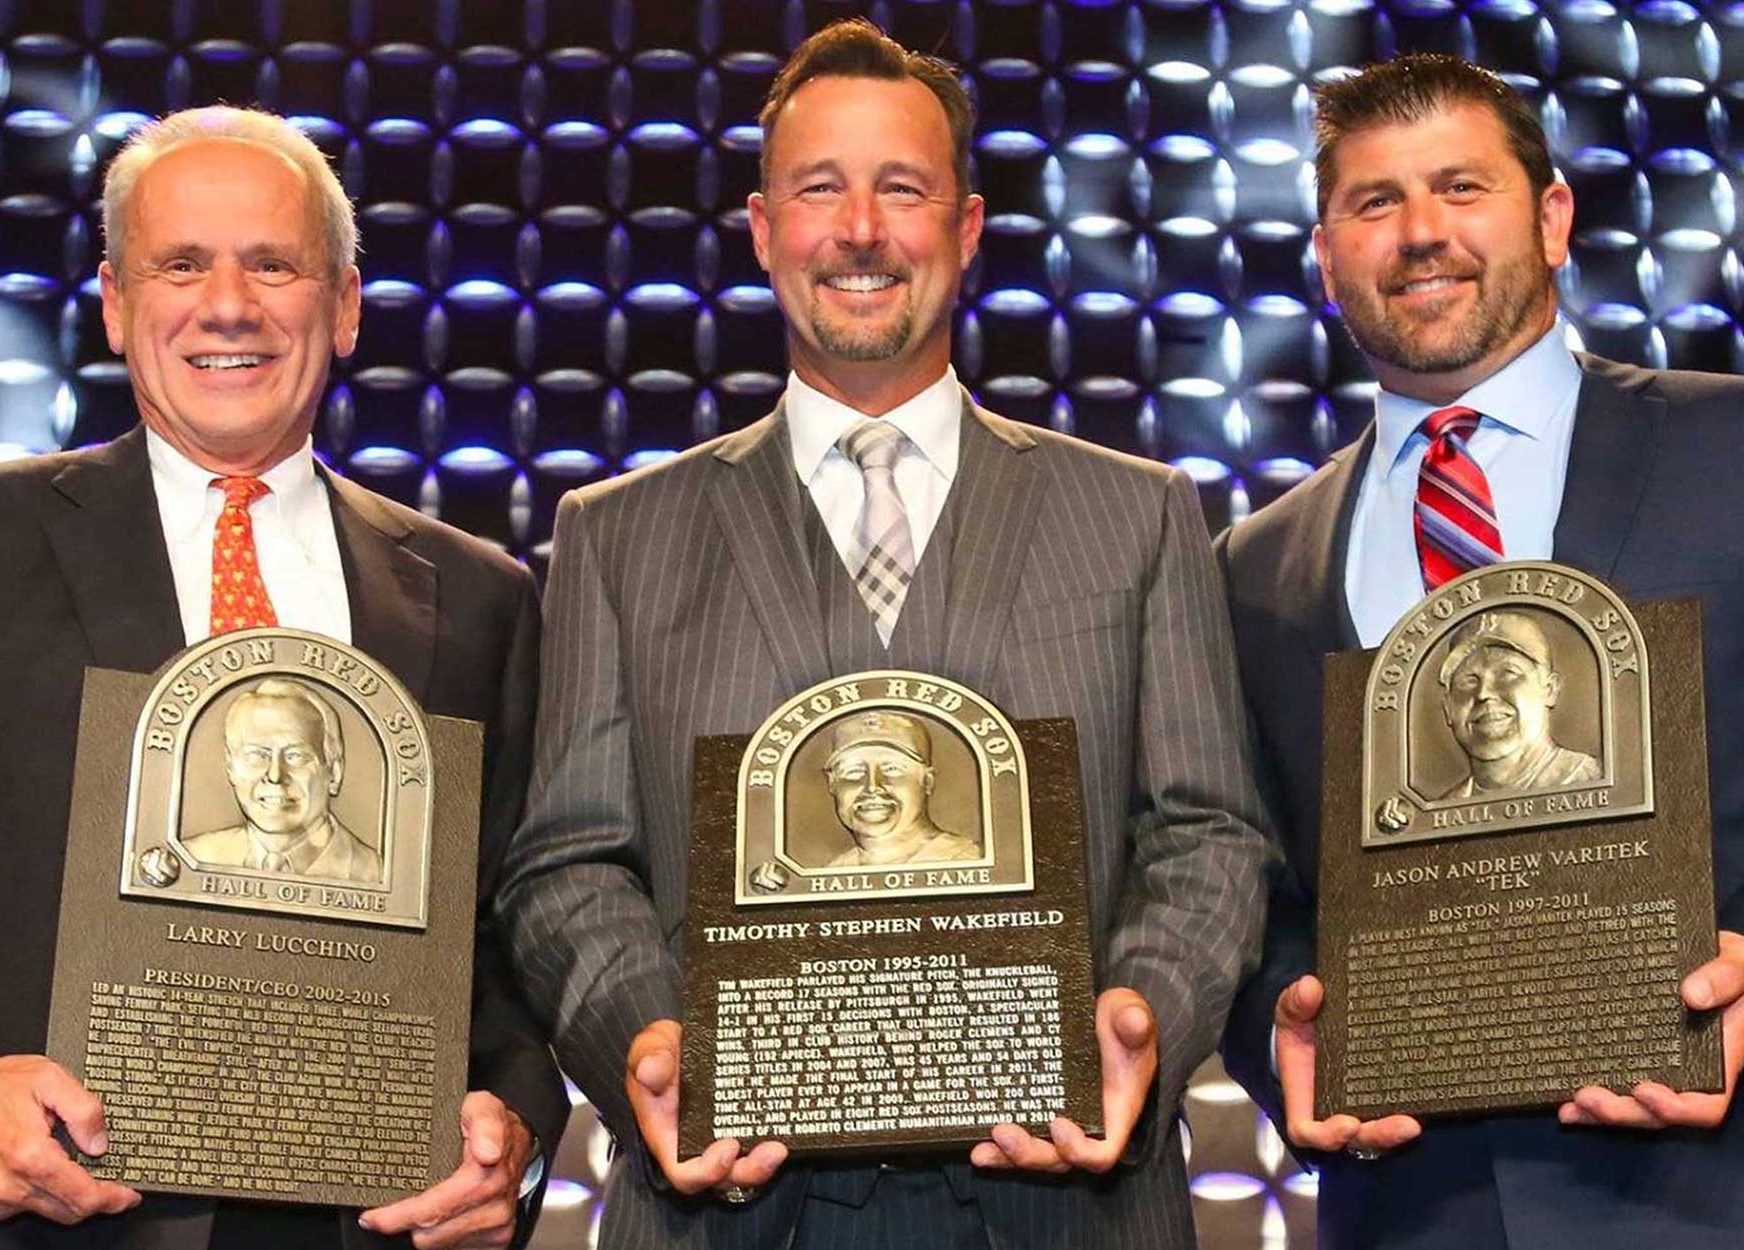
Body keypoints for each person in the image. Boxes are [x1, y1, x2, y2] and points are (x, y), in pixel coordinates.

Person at [1214, 54, 1744, 1250]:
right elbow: (1259, 879)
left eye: (1461, 187)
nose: (1419, 234)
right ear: (1326, 250)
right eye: (1374, 202)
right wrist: (1275, 1022)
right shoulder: (1256, 563)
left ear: (1552, 218)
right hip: (1428, 1210)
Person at [495, 19, 1271, 1250]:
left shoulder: (1139, 513)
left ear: (964, 229)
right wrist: (646, 1037)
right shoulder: (612, 534)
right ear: (763, 231)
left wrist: (1147, 1015)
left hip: (1071, 1208)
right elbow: (567, 862)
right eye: (821, 190)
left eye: (901, 189)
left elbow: (1208, 828)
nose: (861, 230)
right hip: (731, 1212)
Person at [0, 106, 566, 1250]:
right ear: (119, 306)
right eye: (182, 263)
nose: (228, 304)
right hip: (48, 1224)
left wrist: (515, 1125)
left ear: (343, 306)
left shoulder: (479, 595)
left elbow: (510, 932)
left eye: (273, 264)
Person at [180, 678, 383, 883]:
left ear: (334, 773)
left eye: (295, 756)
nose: (275, 776)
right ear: (231, 767)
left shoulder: (376, 873)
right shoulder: (192, 859)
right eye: (256, 756)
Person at [1430, 611, 1599, 799]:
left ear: (1550, 689)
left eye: (1507, 673)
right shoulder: (1443, 809)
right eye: (1469, 680)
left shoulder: (1590, 779)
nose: (1484, 693)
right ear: (1448, 708)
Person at [815, 711, 982, 867]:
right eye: (853, 772)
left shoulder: (968, 861)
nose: (872, 786)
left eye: (892, 769)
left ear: (927, 781)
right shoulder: (832, 873)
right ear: (832, 784)